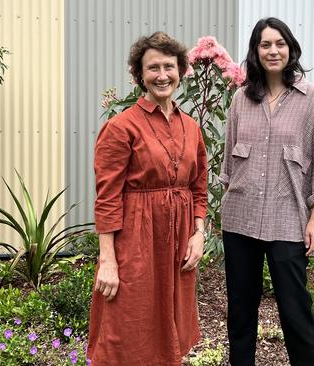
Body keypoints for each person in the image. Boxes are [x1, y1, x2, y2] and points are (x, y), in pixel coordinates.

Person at [219, 17, 314, 366]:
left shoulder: (311, 98)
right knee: (240, 311)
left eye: (279, 43)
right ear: (256, 51)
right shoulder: (241, 99)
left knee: (295, 309)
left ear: (290, 48)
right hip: (239, 221)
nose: (273, 51)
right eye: (265, 44)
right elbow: (228, 164)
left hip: (287, 221)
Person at [87, 31, 208, 366]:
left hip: (178, 242)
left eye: (169, 66)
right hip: (136, 242)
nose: (162, 75)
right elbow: (107, 198)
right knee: (128, 325)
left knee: (170, 325)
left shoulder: (192, 128)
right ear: (139, 75)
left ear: (181, 70)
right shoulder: (121, 127)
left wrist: (199, 234)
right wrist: (108, 261)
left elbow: (199, 187)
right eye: (153, 67)